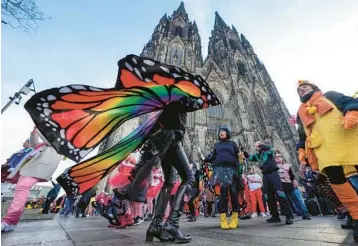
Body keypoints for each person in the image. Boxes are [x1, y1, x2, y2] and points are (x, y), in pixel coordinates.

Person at [296, 80, 358, 242]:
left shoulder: (329, 96)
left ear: (314, 88)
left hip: (349, 142)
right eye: (299, 90)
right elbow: (302, 134)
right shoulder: (301, 112)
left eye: (305, 87)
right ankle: (356, 216)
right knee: (337, 182)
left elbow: (350, 102)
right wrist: (302, 150)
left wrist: (351, 112)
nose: (302, 90)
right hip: (327, 151)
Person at [1, 127, 63, 232]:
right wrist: (34, 131)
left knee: (22, 187)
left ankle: (10, 220)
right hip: (28, 168)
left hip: (40, 168)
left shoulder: (61, 139)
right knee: (20, 189)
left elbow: (47, 138)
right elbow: (34, 144)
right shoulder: (43, 145)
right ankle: (11, 221)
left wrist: (39, 125)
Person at [199, 126, 240, 230]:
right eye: (220, 131)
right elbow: (212, 156)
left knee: (234, 193)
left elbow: (238, 155)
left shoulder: (233, 144)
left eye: (223, 131)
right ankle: (223, 219)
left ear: (227, 133)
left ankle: (235, 218)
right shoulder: (217, 145)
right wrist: (204, 159)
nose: (221, 133)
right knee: (224, 194)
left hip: (232, 170)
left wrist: (244, 159)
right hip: (221, 170)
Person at [244, 142, 293, 225]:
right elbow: (250, 158)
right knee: (268, 196)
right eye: (256, 146)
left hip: (274, 174)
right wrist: (244, 152)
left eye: (258, 145)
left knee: (280, 193)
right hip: (265, 175)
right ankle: (275, 216)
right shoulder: (258, 155)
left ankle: (288, 215)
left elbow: (271, 149)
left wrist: (260, 145)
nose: (256, 147)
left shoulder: (268, 152)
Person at [275, 153, 311, 220]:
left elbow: (291, 175)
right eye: (276, 157)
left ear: (282, 158)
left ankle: (305, 213)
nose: (277, 158)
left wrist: (294, 182)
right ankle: (290, 215)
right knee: (286, 202)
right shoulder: (274, 167)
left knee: (297, 199)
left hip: (290, 185)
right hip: (280, 187)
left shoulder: (287, 166)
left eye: (279, 157)